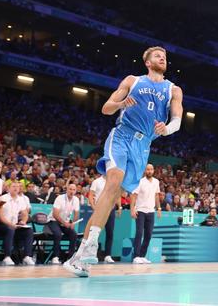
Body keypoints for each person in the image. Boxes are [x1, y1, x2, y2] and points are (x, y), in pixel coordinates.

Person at [65, 46, 183, 277]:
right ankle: (92, 245)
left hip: (143, 146)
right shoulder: (133, 81)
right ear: (147, 62)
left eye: (165, 57)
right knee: (113, 181)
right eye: (158, 56)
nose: (163, 58)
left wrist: (166, 129)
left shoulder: (173, 90)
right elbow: (106, 108)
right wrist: (121, 104)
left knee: (109, 199)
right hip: (122, 136)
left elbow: (177, 119)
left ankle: (80, 256)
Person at [0, 180, 35, 266]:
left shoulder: (21, 199)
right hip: (2, 225)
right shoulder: (2, 198)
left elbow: (25, 214)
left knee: (29, 231)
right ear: (8, 188)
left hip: (15, 225)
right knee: (10, 229)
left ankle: (27, 256)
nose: (16, 188)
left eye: (17, 187)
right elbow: (0, 217)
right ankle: (7, 257)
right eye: (13, 186)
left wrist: (23, 221)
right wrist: (11, 225)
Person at [88, 173, 122, 264]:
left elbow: (117, 195)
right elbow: (91, 195)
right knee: (96, 232)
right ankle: (92, 254)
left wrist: (119, 207)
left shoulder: (113, 182)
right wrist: (94, 207)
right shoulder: (96, 181)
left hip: (111, 209)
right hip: (99, 208)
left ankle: (107, 255)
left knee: (110, 232)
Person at [131, 163, 161, 264]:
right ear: (145, 171)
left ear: (153, 170)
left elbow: (157, 196)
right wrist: (132, 209)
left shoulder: (156, 182)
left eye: (151, 169)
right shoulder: (140, 181)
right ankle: (136, 256)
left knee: (148, 235)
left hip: (151, 211)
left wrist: (159, 208)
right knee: (139, 233)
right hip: (140, 210)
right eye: (148, 169)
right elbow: (134, 196)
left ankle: (142, 256)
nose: (149, 171)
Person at [47, 182, 80, 264]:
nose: (72, 191)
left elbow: (76, 214)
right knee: (58, 234)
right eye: (70, 189)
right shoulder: (60, 198)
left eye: (74, 190)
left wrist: (73, 222)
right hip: (53, 220)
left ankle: (70, 258)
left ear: (75, 191)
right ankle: (56, 257)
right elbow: (55, 214)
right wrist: (65, 223)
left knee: (74, 234)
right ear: (67, 190)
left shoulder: (76, 199)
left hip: (65, 222)